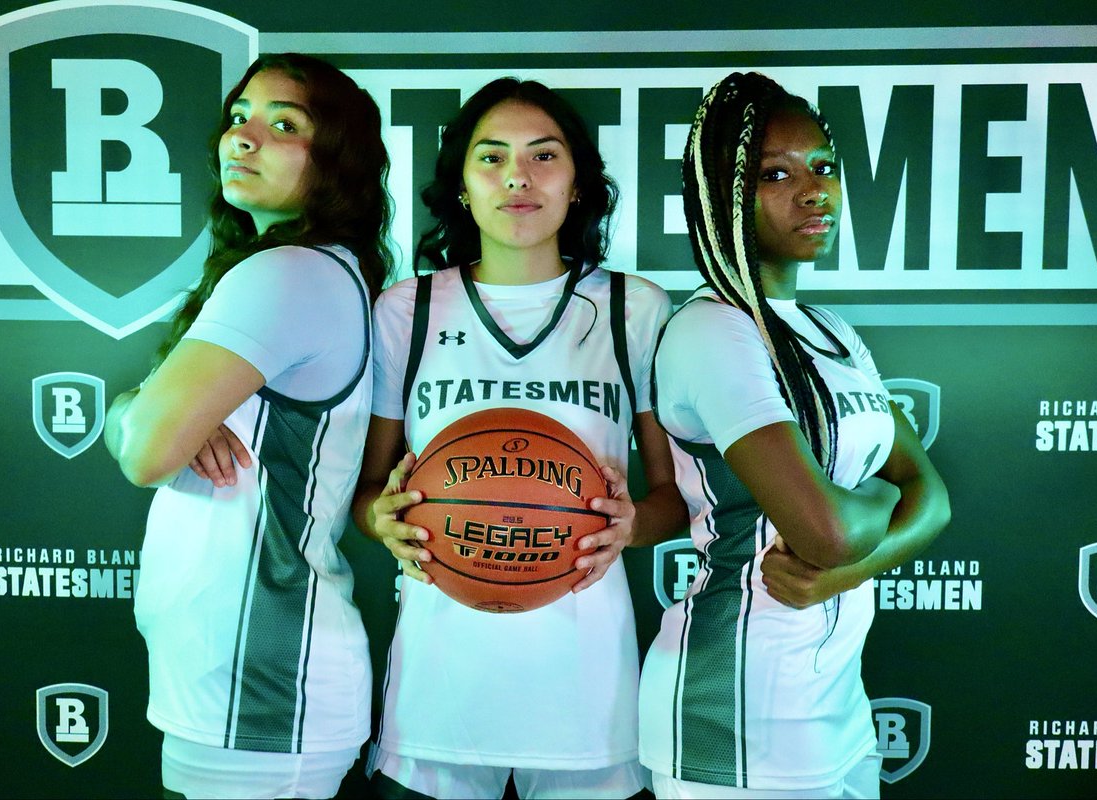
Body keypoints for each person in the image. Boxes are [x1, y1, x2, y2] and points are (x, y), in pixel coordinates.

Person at [353, 78, 687, 800]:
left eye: (544, 156)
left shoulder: (634, 308)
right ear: (463, 188)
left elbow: (675, 500)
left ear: (577, 184)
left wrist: (631, 527)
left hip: (589, 699)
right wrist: (378, 520)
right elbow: (363, 492)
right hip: (438, 696)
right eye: (492, 157)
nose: (517, 177)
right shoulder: (405, 311)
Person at [638, 72, 952, 799]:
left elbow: (932, 499)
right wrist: (875, 504)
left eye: (824, 167)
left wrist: (844, 573)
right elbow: (829, 534)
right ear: (721, 196)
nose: (814, 191)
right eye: (775, 174)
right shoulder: (713, 332)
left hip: (837, 713)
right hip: (736, 721)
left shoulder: (831, 332)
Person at [103, 53, 391, 800]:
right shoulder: (294, 268)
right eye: (238, 118)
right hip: (240, 684)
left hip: (261, 684)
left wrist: (143, 415)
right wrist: (145, 412)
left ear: (335, 163)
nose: (243, 137)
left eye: (283, 124)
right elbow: (142, 425)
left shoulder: (288, 274)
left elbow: (142, 452)